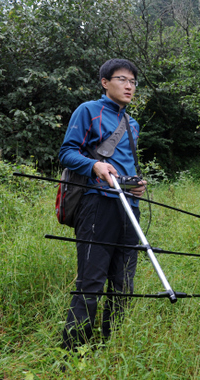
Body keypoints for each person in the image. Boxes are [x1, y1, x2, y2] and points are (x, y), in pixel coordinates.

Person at [59, 58, 146, 351]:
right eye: (122, 79)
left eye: (133, 81)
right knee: (92, 280)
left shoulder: (131, 123)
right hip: (96, 203)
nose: (129, 86)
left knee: (123, 283)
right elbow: (67, 153)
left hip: (128, 207)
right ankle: (74, 350)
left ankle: (111, 345)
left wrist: (137, 184)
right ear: (105, 82)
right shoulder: (88, 111)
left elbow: (125, 164)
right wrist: (94, 165)